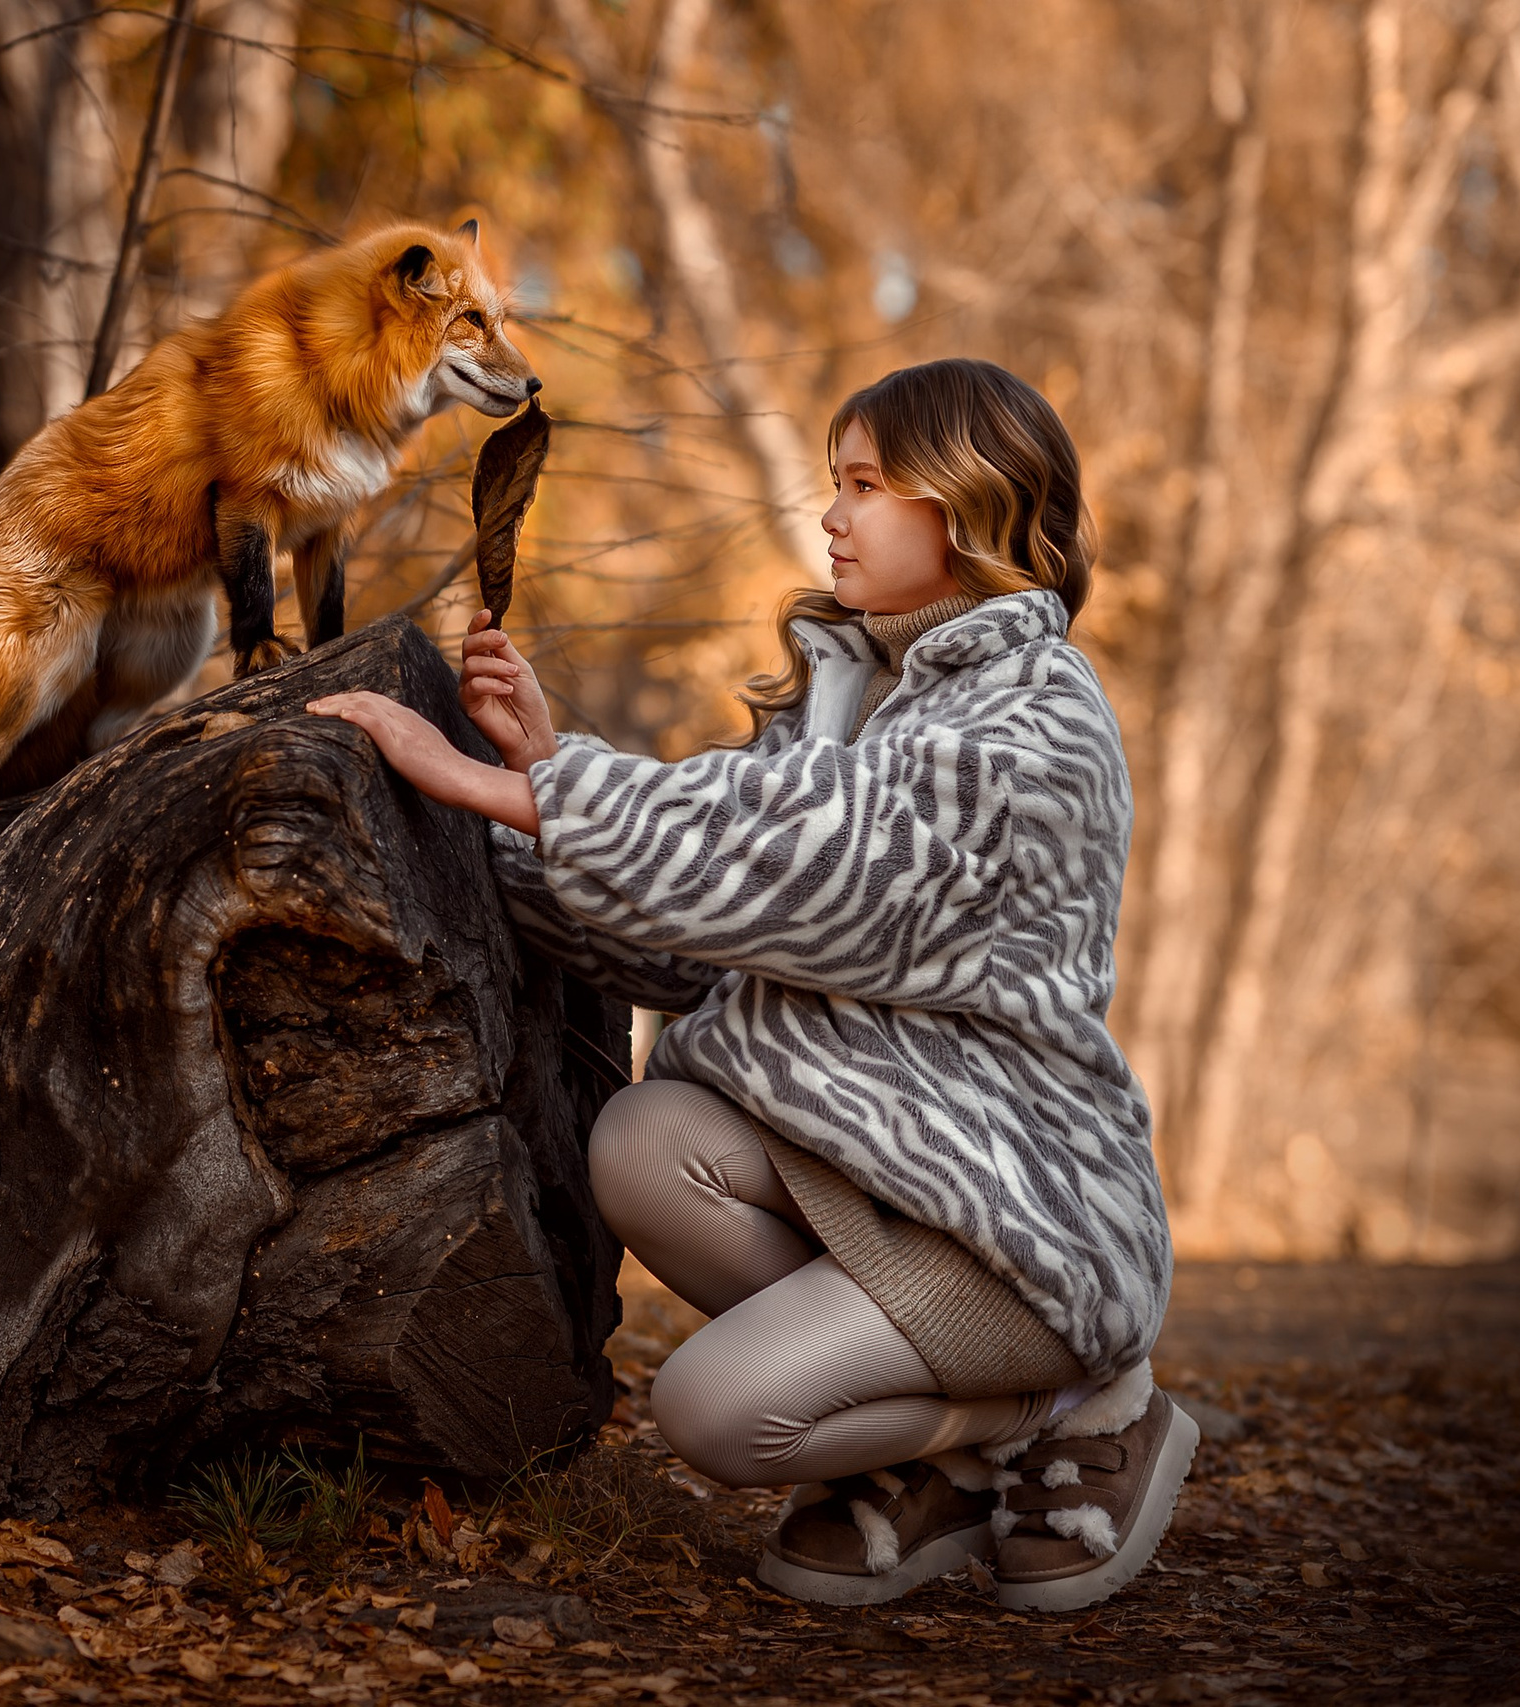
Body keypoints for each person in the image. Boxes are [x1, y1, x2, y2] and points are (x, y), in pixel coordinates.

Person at [307, 358, 1186, 1611]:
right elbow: (705, 928)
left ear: (968, 502)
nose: (831, 514)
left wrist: (503, 789)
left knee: (715, 1411)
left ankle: (1071, 1407)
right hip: (882, 1179)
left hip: (1010, 1224)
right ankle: (925, 1454)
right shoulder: (850, 691)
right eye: (837, 483)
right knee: (647, 1138)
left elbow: (813, 851)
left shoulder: (1035, 723)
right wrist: (543, 775)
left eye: (869, 486)